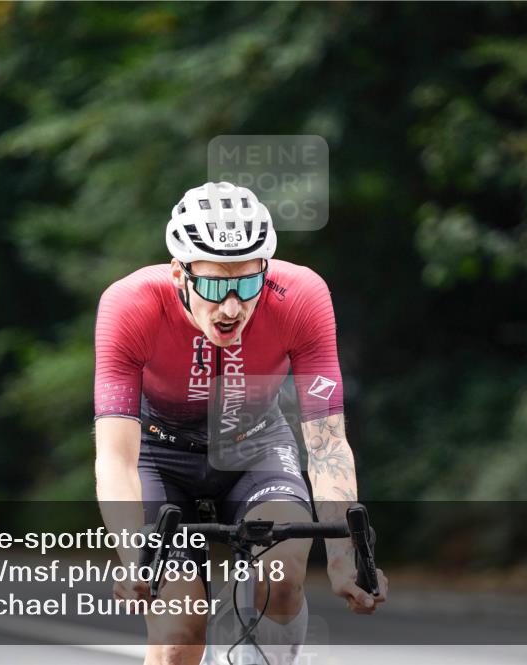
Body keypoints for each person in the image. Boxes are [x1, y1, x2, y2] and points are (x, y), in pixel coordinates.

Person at [94, 181, 387, 665]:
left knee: (284, 578)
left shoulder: (301, 297)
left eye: (248, 283)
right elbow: (116, 457)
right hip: (157, 455)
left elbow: (328, 444)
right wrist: (133, 557)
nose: (232, 306)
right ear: (178, 273)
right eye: (213, 285)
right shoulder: (130, 306)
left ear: (265, 270)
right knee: (177, 632)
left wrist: (343, 559)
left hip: (254, 445)